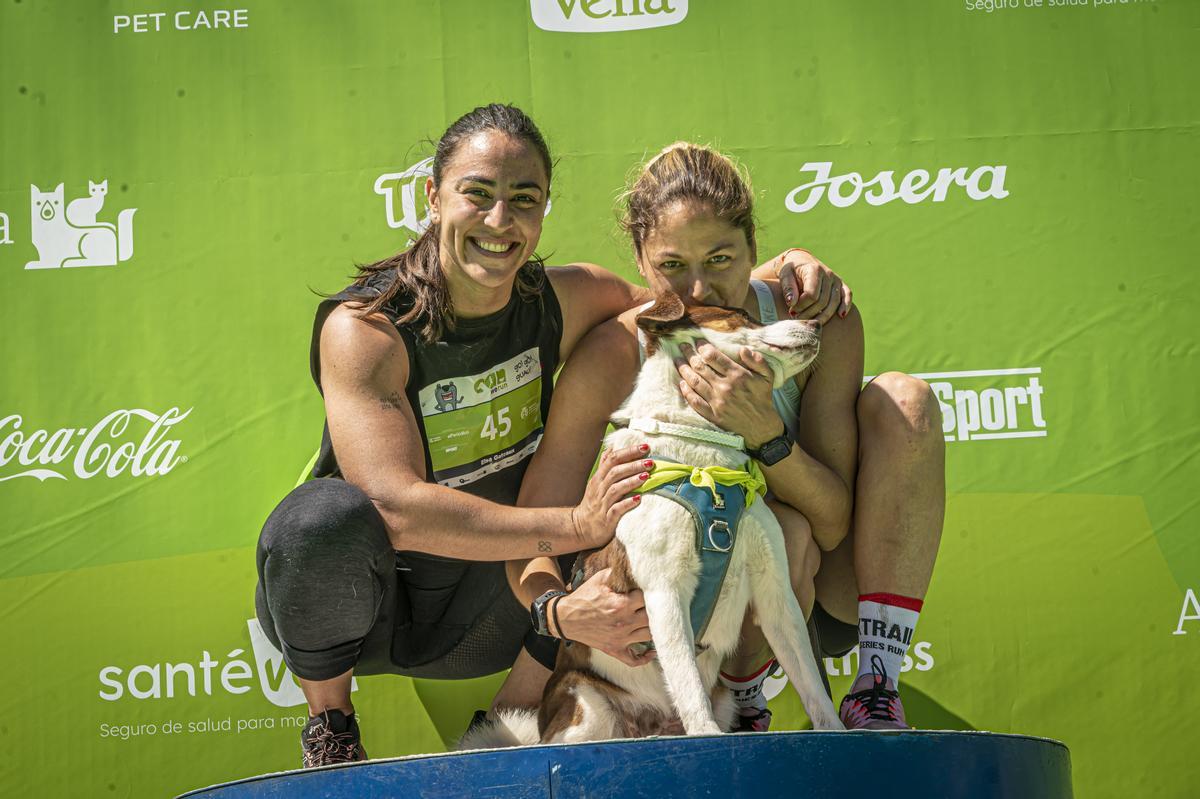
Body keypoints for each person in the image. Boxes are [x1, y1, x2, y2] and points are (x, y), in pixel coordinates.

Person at [253, 106, 851, 767]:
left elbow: (687, 305)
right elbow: (395, 505)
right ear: (431, 196)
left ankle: (515, 727)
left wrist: (782, 269)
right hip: (366, 607)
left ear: (543, 213)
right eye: (477, 193)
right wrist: (573, 521)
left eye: (524, 200)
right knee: (317, 521)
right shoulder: (364, 326)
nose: (499, 220)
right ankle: (331, 725)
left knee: (611, 526)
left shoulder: (573, 298)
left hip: (493, 608)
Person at [507, 142, 944, 733]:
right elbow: (534, 525)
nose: (698, 292)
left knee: (905, 402)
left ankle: (875, 689)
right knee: (775, 531)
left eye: (720, 260)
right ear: (640, 260)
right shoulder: (615, 351)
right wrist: (560, 613)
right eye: (672, 266)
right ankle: (742, 704)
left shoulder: (809, 317)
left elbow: (834, 520)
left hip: (829, 583)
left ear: (753, 250)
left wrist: (763, 432)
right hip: (706, 605)